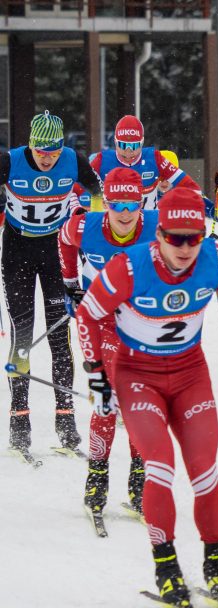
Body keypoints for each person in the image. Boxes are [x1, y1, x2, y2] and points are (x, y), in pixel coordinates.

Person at [75, 186, 218, 606]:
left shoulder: (216, 259)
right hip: (138, 376)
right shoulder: (129, 267)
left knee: (205, 470)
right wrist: (98, 376)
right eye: (175, 237)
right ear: (159, 236)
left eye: (194, 237)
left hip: (190, 375)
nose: (186, 247)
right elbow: (87, 314)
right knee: (159, 466)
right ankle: (166, 564)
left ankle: (216, 562)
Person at [59, 167, 160, 517]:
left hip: (139, 322)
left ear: (141, 204)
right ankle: (97, 474)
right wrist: (71, 282)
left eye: (132, 203)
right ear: (106, 202)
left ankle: (138, 478)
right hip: (100, 319)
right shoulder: (86, 227)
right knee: (108, 398)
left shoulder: (155, 226)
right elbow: (63, 237)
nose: (125, 213)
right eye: (116, 204)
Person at [2, 111, 102, 455]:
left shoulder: (74, 160)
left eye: (54, 152)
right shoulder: (10, 160)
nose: (47, 159)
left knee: (60, 337)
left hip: (57, 252)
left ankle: (65, 419)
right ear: (31, 145)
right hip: (17, 253)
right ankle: (19, 420)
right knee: (23, 334)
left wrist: (95, 224)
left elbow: (98, 192)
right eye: (42, 152)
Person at [87, 115, 189, 210]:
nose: (128, 151)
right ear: (115, 141)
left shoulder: (154, 160)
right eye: (123, 145)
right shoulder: (102, 161)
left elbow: (188, 187)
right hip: (116, 225)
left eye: (134, 146)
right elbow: (78, 186)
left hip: (148, 225)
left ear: (142, 143)